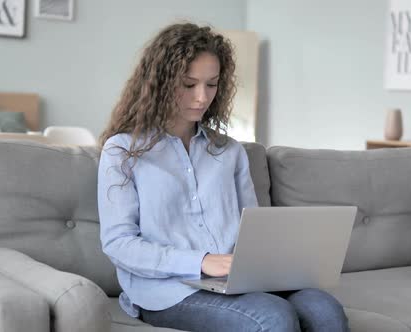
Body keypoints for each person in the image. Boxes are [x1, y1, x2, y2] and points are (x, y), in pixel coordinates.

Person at [97, 22, 349, 332]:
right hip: (167, 290)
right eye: (188, 84)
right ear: (160, 83)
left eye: (212, 84)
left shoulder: (228, 151)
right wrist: (201, 261)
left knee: (325, 311)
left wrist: (275, 262)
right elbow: (119, 244)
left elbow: (254, 229)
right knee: (272, 317)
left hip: (236, 279)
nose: (202, 97)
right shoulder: (122, 150)